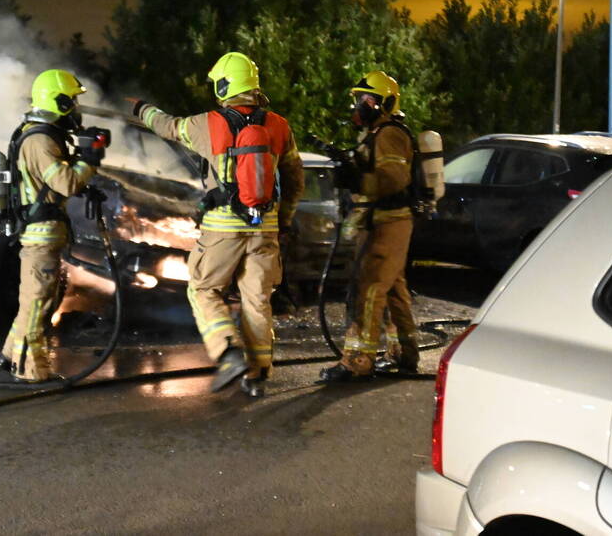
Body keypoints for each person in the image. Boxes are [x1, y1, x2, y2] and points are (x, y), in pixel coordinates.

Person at [130, 52, 304, 397]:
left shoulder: (206, 124)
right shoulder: (279, 126)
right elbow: (295, 179)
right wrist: (282, 222)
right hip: (265, 227)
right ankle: (257, 375)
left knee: (203, 289)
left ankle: (227, 352)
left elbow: (167, 126)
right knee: (257, 300)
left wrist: (141, 109)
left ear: (224, 84)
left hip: (223, 228)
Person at [0, 69, 104, 382]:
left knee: (37, 298)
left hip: (44, 231)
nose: (76, 107)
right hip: (40, 234)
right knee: (37, 304)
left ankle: (9, 356)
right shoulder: (40, 139)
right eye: (72, 99)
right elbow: (65, 181)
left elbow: (54, 183)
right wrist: (89, 160)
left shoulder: (41, 135)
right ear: (58, 101)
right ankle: (30, 369)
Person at [319, 70, 421, 382]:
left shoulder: (390, 133)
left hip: (388, 223)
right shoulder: (376, 133)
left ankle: (359, 360)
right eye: (358, 99)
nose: (360, 104)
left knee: (369, 289)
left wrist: (356, 178)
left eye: (367, 99)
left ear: (385, 103)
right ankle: (404, 353)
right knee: (394, 291)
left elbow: (392, 179)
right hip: (383, 222)